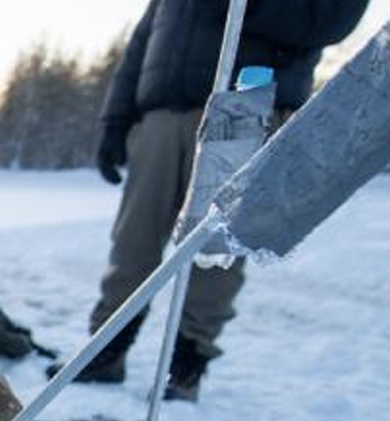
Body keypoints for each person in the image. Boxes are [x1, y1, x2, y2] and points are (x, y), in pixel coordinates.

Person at [75, 0, 370, 400]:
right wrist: (115, 120)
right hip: (161, 115)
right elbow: (144, 40)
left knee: (215, 252)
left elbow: (331, 19)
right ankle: (104, 351)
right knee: (133, 241)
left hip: (244, 109)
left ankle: (186, 366)